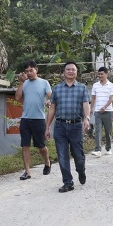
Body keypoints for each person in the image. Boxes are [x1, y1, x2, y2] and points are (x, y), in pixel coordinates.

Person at [45, 61, 91, 193]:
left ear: (77, 73)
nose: (71, 71)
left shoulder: (82, 88)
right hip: (60, 126)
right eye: (68, 69)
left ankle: (81, 170)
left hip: (76, 126)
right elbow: (52, 108)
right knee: (62, 155)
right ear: (64, 72)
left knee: (78, 155)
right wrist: (47, 127)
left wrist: (87, 118)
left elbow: (86, 105)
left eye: (73, 70)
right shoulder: (57, 89)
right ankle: (68, 182)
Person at [14, 60, 52, 180]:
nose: (29, 73)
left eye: (31, 70)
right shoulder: (24, 83)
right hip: (25, 118)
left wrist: (49, 101)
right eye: (27, 71)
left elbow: (51, 96)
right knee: (25, 145)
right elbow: (18, 97)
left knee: (41, 146)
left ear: (36, 70)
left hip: (39, 119)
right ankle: (27, 171)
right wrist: (21, 83)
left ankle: (47, 161)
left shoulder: (44, 83)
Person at [90, 66, 113, 157]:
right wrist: (91, 109)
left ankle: (108, 148)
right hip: (98, 112)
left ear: (106, 74)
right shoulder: (95, 85)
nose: (100, 75)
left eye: (102, 74)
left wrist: (105, 107)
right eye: (99, 74)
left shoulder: (111, 85)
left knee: (108, 131)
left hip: (108, 111)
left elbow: (111, 98)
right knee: (98, 130)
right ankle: (97, 149)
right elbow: (93, 98)